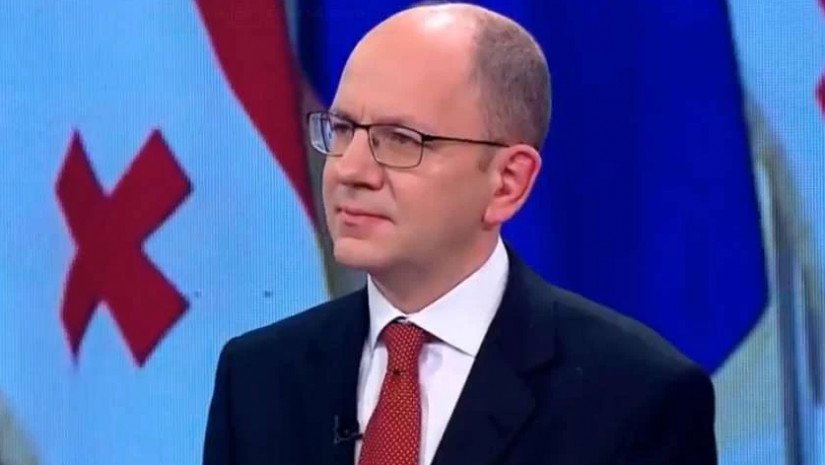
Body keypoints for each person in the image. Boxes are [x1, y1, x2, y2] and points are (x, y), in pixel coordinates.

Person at [202, 3, 717, 464]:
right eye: (342, 130)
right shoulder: (256, 378)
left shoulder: (636, 396)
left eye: (399, 139)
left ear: (507, 182)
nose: (349, 170)